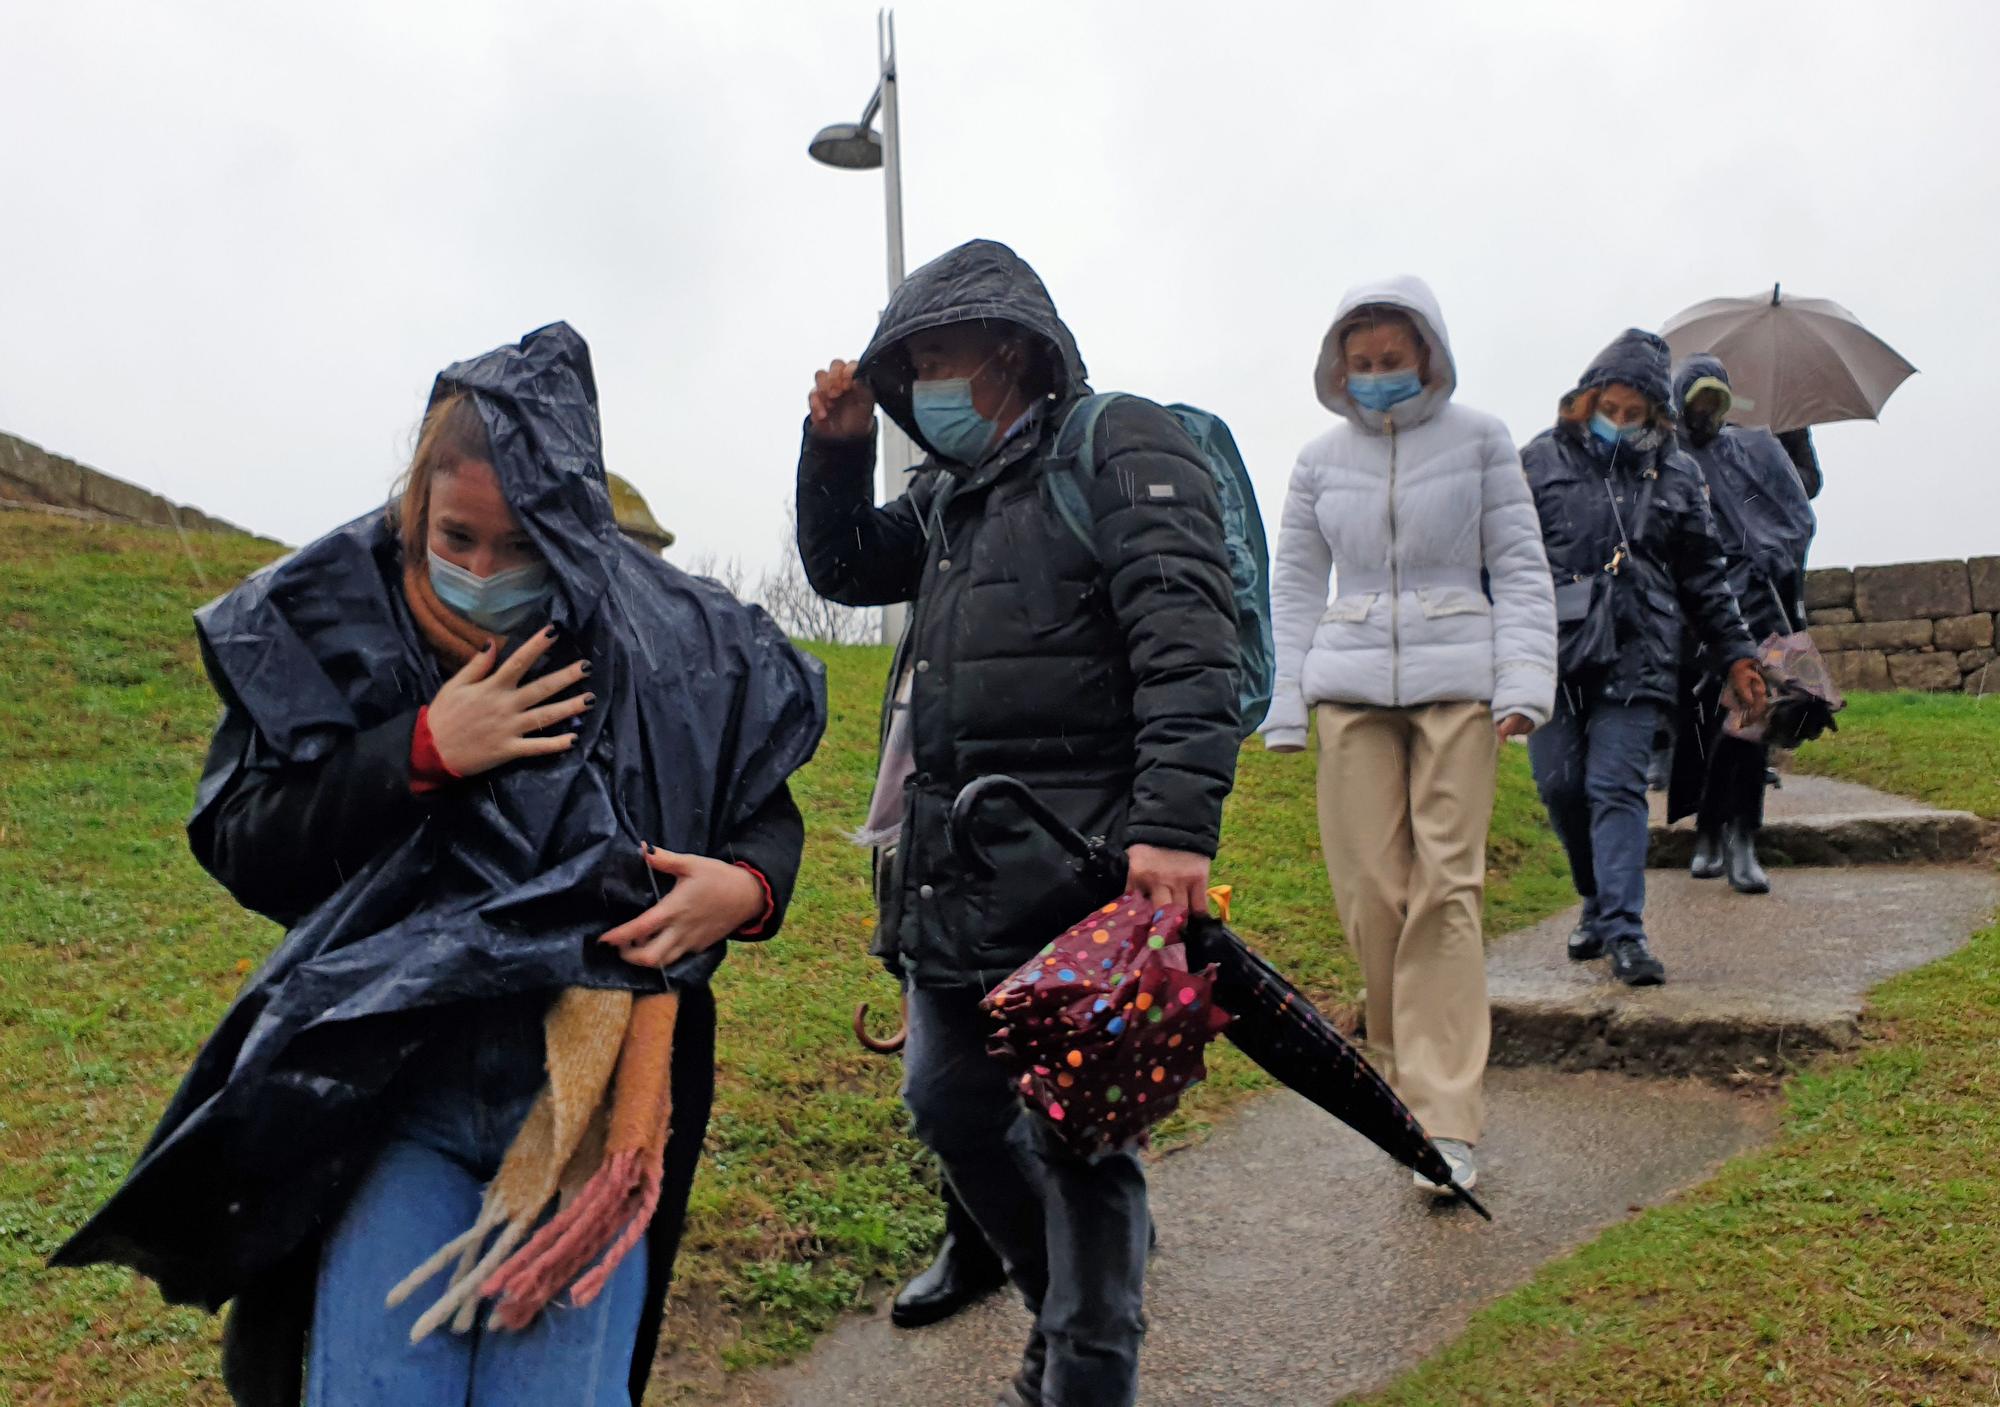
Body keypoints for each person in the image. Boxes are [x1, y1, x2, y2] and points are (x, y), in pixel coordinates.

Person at [52, 324, 827, 1406]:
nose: (478, 572)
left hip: (588, 1109)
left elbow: (759, 813)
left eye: (517, 549)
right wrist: (418, 751)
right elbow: (245, 840)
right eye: (454, 537)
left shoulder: (662, 644)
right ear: (414, 510)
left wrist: (746, 893)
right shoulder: (330, 630)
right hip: (389, 1093)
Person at [797, 238, 1241, 1407]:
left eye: (938, 357)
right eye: (909, 371)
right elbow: (840, 567)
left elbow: (1188, 640)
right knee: (944, 1103)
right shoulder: (949, 499)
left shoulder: (1119, 441)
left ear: (1009, 350)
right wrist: (833, 451)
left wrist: (1175, 831)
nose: (921, 389)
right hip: (956, 870)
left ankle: (1085, 1370)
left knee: (1078, 1142)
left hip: (1087, 870)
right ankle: (1064, 1308)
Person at [1262, 276, 1556, 1198]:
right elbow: (1297, 587)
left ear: (1427, 356)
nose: (1379, 375)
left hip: (1459, 689)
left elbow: (1521, 567)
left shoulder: (1481, 442)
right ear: (1338, 367)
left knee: (1448, 888)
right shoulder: (1316, 461)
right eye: (1363, 362)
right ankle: (1403, 1070)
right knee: (1370, 895)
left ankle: (1443, 1117)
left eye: (1394, 359)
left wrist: (1524, 684)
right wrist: (1284, 700)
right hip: (1349, 690)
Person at [1521, 329, 1766, 988]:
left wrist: (1738, 651)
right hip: (1554, 653)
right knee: (1561, 785)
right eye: (1611, 408)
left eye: (1636, 414)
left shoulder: (1678, 475)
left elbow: (1704, 576)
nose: (1620, 424)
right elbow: (1503, 562)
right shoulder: (1535, 463)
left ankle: (1626, 931)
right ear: (1586, 399)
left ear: (1657, 416)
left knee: (1615, 786)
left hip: (1639, 649)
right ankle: (1597, 898)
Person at [1666, 354, 1817, 893]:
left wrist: (1768, 556)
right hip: (1697, 612)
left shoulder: (1752, 453)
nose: (1706, 412)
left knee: (1753, 720)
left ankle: (1742, 835)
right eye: (1697, 401)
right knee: (1710, 724)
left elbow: (1789, 512)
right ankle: (1709, 827)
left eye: (1716, 401)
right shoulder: (1667, 459)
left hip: (1756, 604)